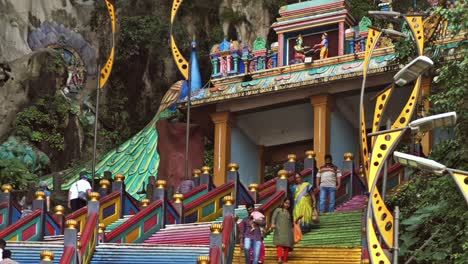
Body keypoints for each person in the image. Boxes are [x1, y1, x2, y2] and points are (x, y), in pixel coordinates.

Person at [270, 198, 294, 264]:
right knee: (279, 244)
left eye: (288, 204)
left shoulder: (290, 212)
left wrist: (298, 219)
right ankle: (280, 258)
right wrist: (272, 223)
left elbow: (292, 223)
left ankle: (285, 260)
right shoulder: (278, 210)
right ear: (283, 203)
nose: (287, 205)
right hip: (279, 229)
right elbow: (273, 217)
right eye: (286, 203)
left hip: (288, 231)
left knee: (287, 246)